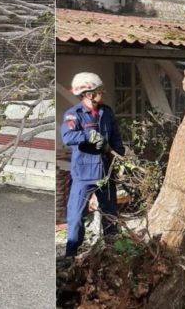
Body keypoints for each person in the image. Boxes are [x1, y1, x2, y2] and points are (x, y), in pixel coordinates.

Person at [61, 72, 124, 258]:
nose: (101, 94)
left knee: (110, 216)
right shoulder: (74, 114)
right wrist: (87, 136)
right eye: (99, 91)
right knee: (76, 217)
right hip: (83, 174)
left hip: (106, 172)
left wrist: (119, 154)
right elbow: (67, 137)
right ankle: (70, 256)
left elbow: (116, 137)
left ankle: (113, 253)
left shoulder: (106, 112)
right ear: (88, 94)